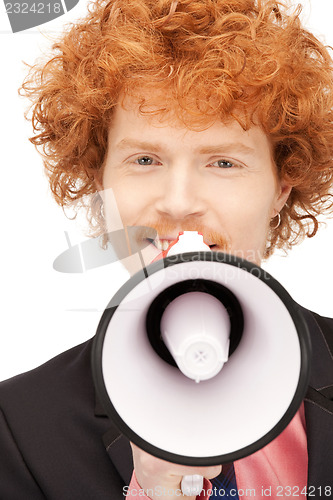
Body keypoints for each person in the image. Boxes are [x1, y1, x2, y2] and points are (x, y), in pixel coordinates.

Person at [0, 0, 333, 498]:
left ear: (283, 185)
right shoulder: (20, 427)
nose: (178, 203)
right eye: (145, 158)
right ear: (99, 180)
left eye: (223, 163)